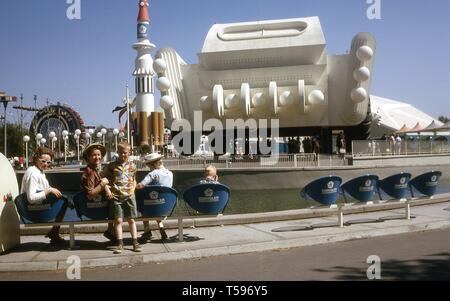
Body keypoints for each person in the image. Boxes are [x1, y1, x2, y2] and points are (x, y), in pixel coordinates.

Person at [20, 147, 69, 244]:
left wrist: (52, 189)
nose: (46, 164)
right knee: (64, 202)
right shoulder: (33, 174)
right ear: (36, 159)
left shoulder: (39, 172)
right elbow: (31, 198)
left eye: (48, 162)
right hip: (34, 211)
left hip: (38, 207)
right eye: (43, 161)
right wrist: (49, 190)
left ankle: (55, 232)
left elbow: (45, 187)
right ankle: (55, 232)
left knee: (64, 199)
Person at [103, 142, 142, 254]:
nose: (122, 155)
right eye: (120, 152)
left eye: (124, 152)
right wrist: (107, 189)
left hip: (129, 196)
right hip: (116, 196)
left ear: (129, 153)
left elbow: (134, 179)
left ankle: (135, 242)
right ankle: (119, 243)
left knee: (131, 219)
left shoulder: (133, 166)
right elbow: (102, 177)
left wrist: (133, 189)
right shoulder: (111, 165)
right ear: (117, 152)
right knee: (118, 220)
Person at [79, 143, 115, 242]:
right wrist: (104, 184)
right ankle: (111, 229)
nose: (97, 157)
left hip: (93, 207)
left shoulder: (95, 170)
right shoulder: (89, 172)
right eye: (94, 155)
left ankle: (111, 229)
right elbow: (90, 195)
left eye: (99, 155)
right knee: (117, 200)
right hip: (94, 208)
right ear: (88, 157)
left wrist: (106, 187)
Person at [135, 152, 173, 242]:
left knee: (143, 208)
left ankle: (147, 231)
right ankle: (161, 228)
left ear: (154, 164)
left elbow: (140, 186)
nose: (149, 168)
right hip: (164, 205)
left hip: (151, 205)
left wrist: (133, 185)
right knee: (157, 206)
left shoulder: (153, 174)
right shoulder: (170, 173)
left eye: (149, 166)